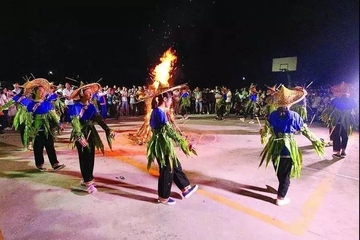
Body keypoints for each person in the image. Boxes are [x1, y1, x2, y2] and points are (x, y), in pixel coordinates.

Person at [259, 85, 325, 206]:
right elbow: (306, 131)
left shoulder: (273, 115)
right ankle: (281, 198)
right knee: (285, 176)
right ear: (291, 103)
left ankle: (281, 189)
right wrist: (317, 142)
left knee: (280, 171)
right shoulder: (294, 116)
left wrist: (262, 134)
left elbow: (266, 130)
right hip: (287, 149)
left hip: (274, 147)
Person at [147, 90, 198, 205]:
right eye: (170, 99)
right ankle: (163, 197)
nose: (171, 101)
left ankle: (185, 188)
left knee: (174, 165)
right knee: (167, 170)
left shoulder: (160, 111)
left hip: (163, 142)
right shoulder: (158, 112)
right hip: (161, 145)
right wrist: (185, 144)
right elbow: (169, 132)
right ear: (165, 99)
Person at [68, 82, 115, 194]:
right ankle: (88, 182)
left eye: (91, 93)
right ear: (81, 94)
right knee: (84, 158)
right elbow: (75, 123)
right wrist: (79, 136)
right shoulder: (75, 107)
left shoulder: (92, 106)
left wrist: (108, 130)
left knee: (91, 156)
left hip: (91, 133)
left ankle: (88, 178)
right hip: (82, 134)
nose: (90, 95)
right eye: (88, 93)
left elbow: (98, 119)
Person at [24, 78, 66, 171]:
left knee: (50, 146)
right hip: (37, 130)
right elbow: (28, 118)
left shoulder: (48, 104)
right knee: (38, 147)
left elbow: (54, 116)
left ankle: (55, 164)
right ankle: (40, 164)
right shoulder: (30, 105)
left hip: (48, 129)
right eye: (40, 91)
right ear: (35, 92)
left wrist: (59, 124)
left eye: (43, 91)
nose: (42, 93)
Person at [324, 82, 357, 158]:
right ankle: (343, 151)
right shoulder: (352, 100)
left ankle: (338, 152)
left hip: (337, 120)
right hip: (348, 121)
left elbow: (330, 109)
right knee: (345, 135)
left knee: (336, 135)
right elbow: (355, 110)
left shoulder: (335, 100)